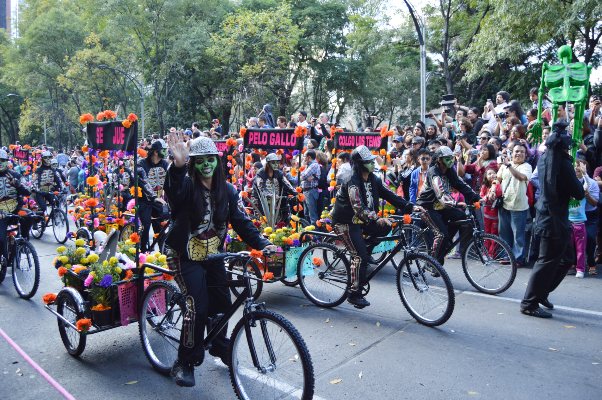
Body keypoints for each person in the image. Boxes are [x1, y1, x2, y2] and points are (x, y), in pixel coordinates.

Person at [164, 134, 277, 387]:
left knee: (223, 303)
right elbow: (173, 193)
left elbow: (241, 222)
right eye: (200, 161)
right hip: (184, 254)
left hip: (213, 253)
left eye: (210, 160)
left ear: (217, 161)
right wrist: (178, 166)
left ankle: (218, 343)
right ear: (194, 164)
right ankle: (184, 361)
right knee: (198, 306)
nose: (206, 165)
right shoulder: (186, 186)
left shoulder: (226, 190)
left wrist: (263, 243)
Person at [331, 145, 421, 308]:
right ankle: (353, 294)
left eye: (373, 161)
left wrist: (410, 206)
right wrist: (376, 218)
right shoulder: (352, 181)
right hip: (345, 222)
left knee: (386, 227)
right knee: (360, 256)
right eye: (369, 162)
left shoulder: (374, 179)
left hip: (363, 221)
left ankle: (364, 252)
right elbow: (358, 208)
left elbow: (390, 195)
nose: (373, 164)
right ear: (359, 164)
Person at [521, 121, 585, 318]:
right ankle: (529, 303)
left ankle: (541, 293)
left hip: (553, 215)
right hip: (552, 218)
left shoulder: (545, 158)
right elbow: (578, 192)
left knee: (565, 259)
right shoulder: (561, 163)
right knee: (546, 261)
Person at [416, 146, 480, 265]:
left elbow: (460, 184)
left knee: (463, 218)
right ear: (439, 160)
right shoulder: (433, 171)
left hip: (442, 207)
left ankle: (445, 244)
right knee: (441, 234)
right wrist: (454, 203)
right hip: (427, 207)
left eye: (451, 158)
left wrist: (476, 197)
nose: (451, 161)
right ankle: (432, 263)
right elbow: (440, 191)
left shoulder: (450, 170)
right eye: (447, 159)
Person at [497, 142, 532, 266]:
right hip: (504, 203)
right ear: (512, 153)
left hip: (519, 206)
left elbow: (522, 177)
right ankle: (506, 255)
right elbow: (498, 179)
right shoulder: (504, 166)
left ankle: (518, 258)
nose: (519, 154)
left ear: (525, 155)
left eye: (522, 152)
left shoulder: (526, 166)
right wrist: (492, 189)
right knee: (504, 232)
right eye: (517, 151)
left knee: (518, 234)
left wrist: (508, 166)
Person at [0, 149, 32, 266]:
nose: (0, 163)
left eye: (2, 160)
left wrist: (17, 184)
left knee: (29, 215)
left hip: (15, 209)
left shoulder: (16, 174)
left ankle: (23, 241)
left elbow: (28, 190)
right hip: (0, 214)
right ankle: (3, 262)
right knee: (1, 239)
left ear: (7, 161)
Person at [138, 139, 169, 252]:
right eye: (163, 150)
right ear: (156, 152)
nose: (165, 152)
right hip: (144, 201)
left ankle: (162, 253)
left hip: (159, 200)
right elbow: (143, 182)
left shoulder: (165, 164)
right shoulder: (141, 164)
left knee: (161, 228)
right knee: (145, 227)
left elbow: (170, 182)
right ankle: (142, 253)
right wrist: (153, 197)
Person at [251, 153, 296, 224]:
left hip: (277, 200)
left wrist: (296, 193)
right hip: (262, 200)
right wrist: (271, 196)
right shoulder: (261, 173)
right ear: (268, 163)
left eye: (277, 162)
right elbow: (261, 188)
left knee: (281, 218)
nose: (276, 164)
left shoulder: (279, 173)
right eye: (273, 162)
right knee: (262, 221)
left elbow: (287, 184)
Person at [300, 149, 321, 224]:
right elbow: (302, 177)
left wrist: (304, 175)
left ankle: (315, 234)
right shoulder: (307, 165)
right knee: (306, 213)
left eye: (304, 156)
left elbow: (303, 176)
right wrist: (305, 176)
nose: (303, 158)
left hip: (311, 191)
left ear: (308, 157)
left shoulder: (314, 165)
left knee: (312, 214)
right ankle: (308, 233)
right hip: (306, 191)